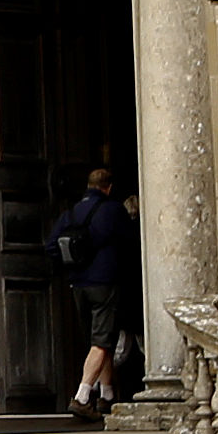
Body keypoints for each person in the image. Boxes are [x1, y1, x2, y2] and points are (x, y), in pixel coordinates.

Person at [52, 165, 138, 412]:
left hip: (78, 285)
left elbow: (51, 247)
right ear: (108, 187)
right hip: (105, 283)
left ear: (88, 187)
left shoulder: (70, 214)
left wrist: (72, 267)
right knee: (101, 342)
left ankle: (107, 395)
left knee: (100, 340)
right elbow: (131, 243)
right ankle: (82, 397)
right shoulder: (113, 210)